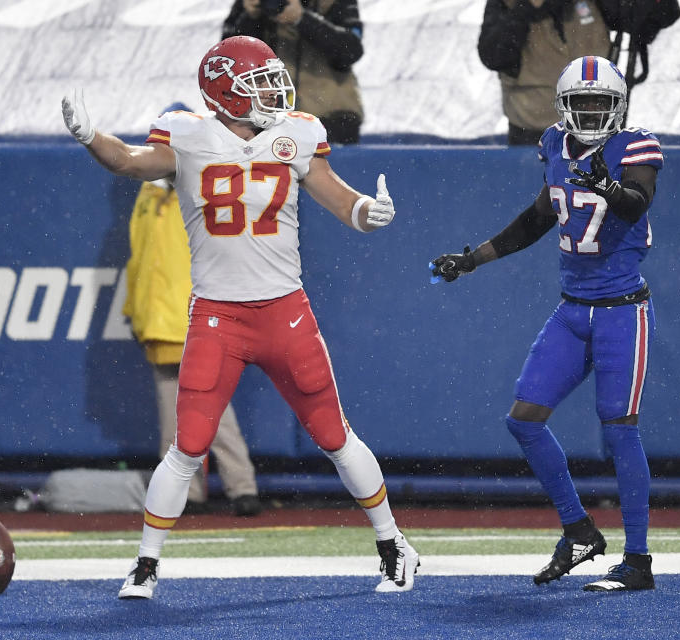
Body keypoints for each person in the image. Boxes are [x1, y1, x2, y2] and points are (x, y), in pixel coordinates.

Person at [63, 35, 419, 599]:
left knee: (333, 433)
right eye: (259, 83)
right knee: (188, 444)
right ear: (224, 91)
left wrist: (368, 214)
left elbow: (341, 201)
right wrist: (91, 137)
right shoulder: (186, 134)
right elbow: (129, 162)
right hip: (218, 316)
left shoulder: (297, 134)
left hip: (284, 311)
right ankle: (145, 565)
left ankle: (394, 544)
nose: (274, 92)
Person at [431, 55, 663, 591]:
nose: (587, 113)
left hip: (622, 311)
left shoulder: (636, 146)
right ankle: (578, 529)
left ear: (619, 106)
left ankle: (638, 560)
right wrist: (472, 259)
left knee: (619, 430)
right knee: (524, 418)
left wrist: (610, 188)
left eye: (598, 103)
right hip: (572, 308)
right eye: (579, 103)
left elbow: (636, 202)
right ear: (563, 106)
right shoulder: (554, 145)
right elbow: (538, 218)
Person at [122, 128, 263, 517]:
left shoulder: (207, 184)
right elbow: (140, 256)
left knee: (210, 404)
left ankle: (240, 486)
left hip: (196, 313)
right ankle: (189, 492)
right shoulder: (150, 192)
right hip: (159, 319)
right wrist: (135, 310)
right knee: (176, 411)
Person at [478, 0, 680, 146]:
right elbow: (493, 55)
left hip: (598, 130)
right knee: (538, 200)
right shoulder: (507, 5)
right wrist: (524, 10)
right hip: (533, 137)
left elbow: (652, 15)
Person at [222, 0, 364, 144]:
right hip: (267, 117)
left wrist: (302, 19)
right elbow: (227, 60)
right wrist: (250, 17)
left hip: (333, 118)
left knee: (327, 166)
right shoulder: (250, 4)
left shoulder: (333, 3)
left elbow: (350, 50)